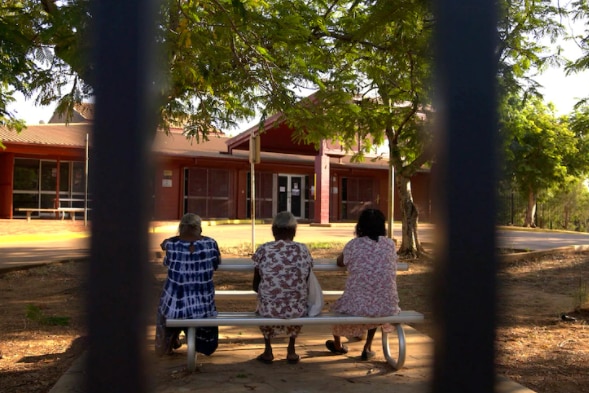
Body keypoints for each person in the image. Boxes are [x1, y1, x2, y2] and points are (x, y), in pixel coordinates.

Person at [325, 208, 400, 360]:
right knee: (373, 303)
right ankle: (368, 347)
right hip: (387, 305)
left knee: (335, 308)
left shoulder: (354, 244)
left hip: (359, 305)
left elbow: (340, 262)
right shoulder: (390, 244)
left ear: (360, 226)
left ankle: (338, 344)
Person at [155, 213, 222, 356]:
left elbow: (167, 260)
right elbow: (215, 265)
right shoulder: (211, 243)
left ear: (180, 228)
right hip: (203, 307)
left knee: (166, 302)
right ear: (199, 228)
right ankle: (199, 343)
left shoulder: (171, 245)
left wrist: (169, 241)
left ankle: (167, 342)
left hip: (176, 308)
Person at [252, 211, 314, 364]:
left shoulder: (264, 249)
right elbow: (305, 280)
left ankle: (268, 350)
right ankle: (291, 350)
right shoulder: (303, 250)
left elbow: (255, 285)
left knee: (264, 301)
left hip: (269, 310)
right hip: (296, 310)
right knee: (297, 299)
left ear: (273, 231)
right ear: (294, 231)